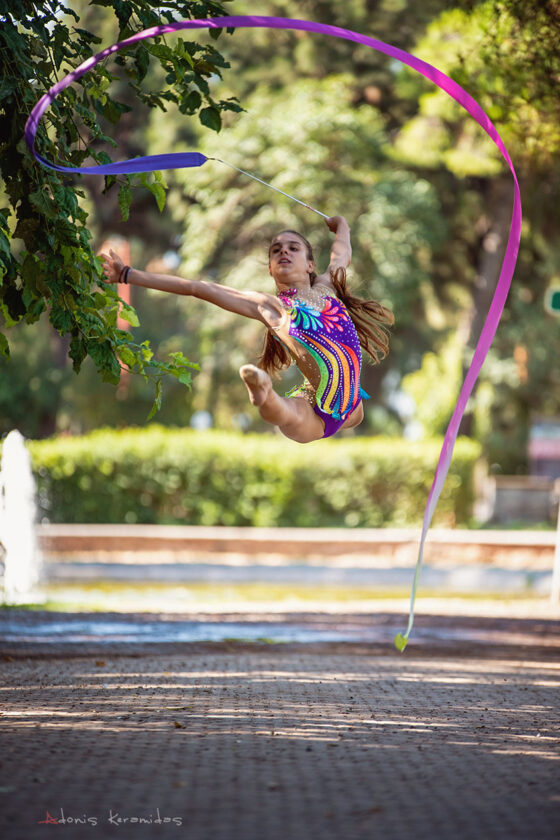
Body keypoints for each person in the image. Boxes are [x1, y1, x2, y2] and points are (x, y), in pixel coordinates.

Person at [100, 216, 393, 443]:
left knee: (347, 406)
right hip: (317, 414)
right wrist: (127, 274)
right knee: (287, 414)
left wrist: (342, 226)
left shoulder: (329, 286)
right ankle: (263, 392)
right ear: (270, 269)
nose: (284, 253)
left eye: (293, 248)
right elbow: (198, 288)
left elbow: (342, 253)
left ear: (309, 264)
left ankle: (267, 392)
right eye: (276, 250)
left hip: (354, 405)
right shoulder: (273, 308)